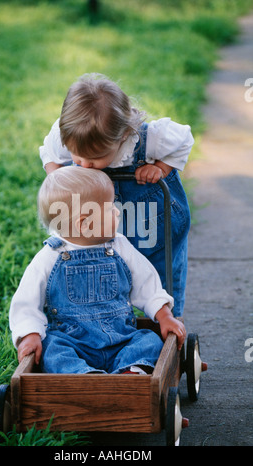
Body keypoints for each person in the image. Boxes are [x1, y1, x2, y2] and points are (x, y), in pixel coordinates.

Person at [39, 73, 194, 317]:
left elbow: (184, 139)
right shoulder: (68, 135)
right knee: (96, 265)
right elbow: (50, 156)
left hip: (150, 221)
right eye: (77, 157)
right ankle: (104, 316)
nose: (84, 164)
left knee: (159, 269)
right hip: (99, 220)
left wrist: (160, 168)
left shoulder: (149, 138)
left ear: (122, 136)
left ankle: (165, 318)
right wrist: (59, 178)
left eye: (95, 158)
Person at [9, 166, 186, 374]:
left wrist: (164, 315)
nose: (117, 211)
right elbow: (26, 302)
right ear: (85, 224)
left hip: (121, 337)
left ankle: (130, 370)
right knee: (52, 349)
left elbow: (146, 282)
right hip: (73, 342)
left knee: (148, 340)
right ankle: (83, 375)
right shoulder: (50, 257)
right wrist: (30, 333)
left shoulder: (119, 246)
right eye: (110, 208)